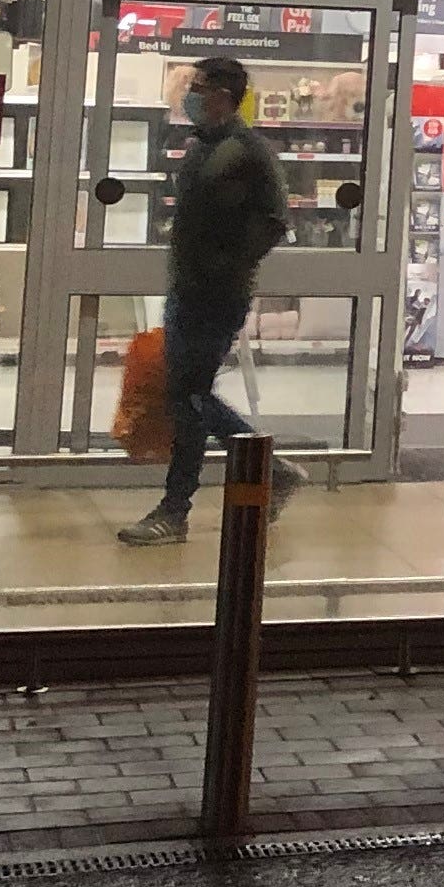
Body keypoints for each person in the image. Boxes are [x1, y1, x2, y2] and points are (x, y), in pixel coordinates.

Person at [118, 54, 306, 545]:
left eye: (198, 87)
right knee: (187, 400)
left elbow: (272, 223)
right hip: (188, 289)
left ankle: (186, 504)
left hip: (216, 296)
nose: (190, 96)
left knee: (189, 396)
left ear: (223, 95)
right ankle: (184, 505)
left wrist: (223, 268)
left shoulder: (248, 151)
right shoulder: (201, 147)